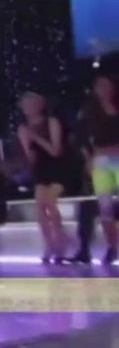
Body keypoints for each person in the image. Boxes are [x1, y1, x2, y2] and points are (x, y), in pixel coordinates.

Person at [17, 91, 68, 264]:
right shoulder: (23, 128)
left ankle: (60, 246)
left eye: (31, 103)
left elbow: (56, 151)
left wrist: (36, 137)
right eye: (25, 104)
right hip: (40, 170)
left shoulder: (51, 121)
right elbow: (30, 157)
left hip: (58, 168)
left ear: (40, 105)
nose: (28, 108)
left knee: (50, 203)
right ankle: (49, 246)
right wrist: (26, 140)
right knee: (40, 206)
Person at [75, 74, 119, 265]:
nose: (103, 88)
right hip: (101, 161)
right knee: (105, 208)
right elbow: (81, 138)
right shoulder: (89, 111)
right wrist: (89, 159)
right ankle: (112, 247)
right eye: (99, 85)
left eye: (106, 84)